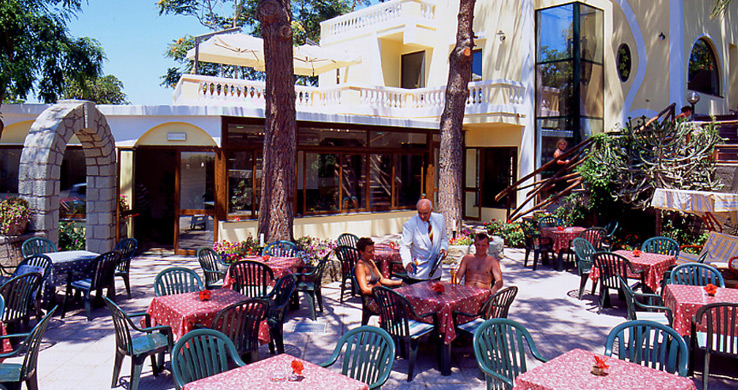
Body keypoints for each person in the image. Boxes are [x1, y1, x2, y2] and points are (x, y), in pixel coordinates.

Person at [400, 199, 448, 283]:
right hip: (418, 272)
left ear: (431, 210)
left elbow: (443, 238)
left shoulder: (440, 219)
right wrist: (407, 262)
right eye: (419, 213)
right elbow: (404, 246)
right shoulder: (410, 224)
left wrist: (443, 249)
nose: (422, 216)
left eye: (425, 213)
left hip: (435, 271)